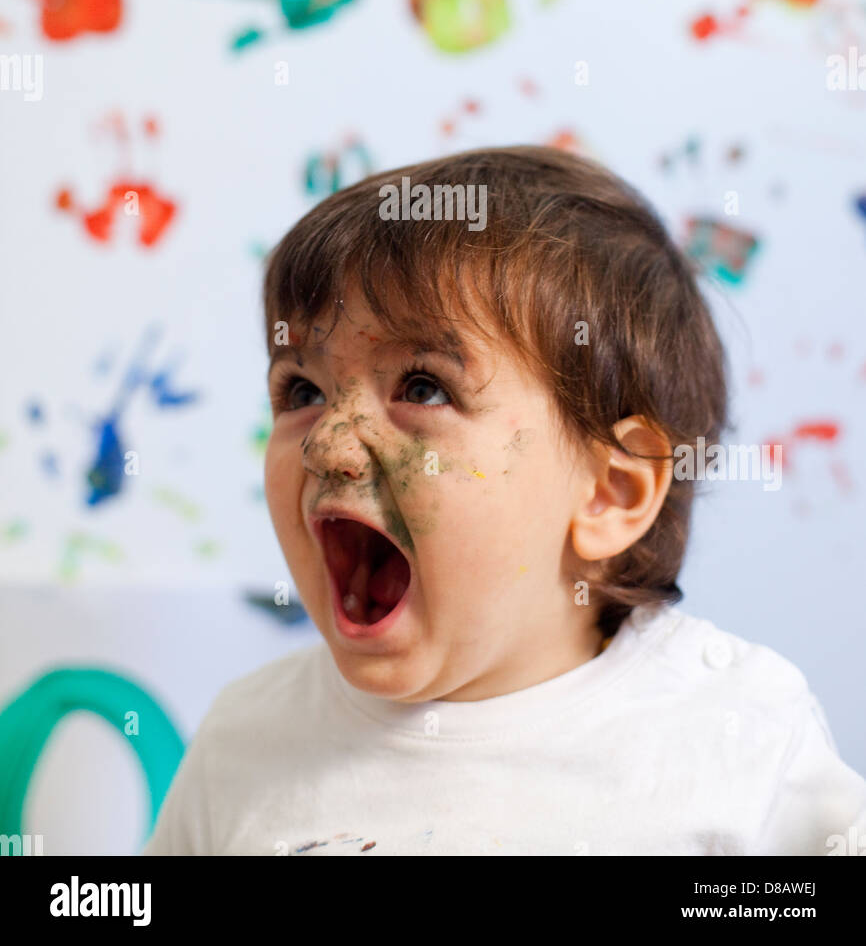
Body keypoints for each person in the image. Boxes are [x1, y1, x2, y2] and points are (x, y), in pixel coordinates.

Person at [142, 146, 866, 856]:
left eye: (423, 387)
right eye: (303, 390)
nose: (329, 445)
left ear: (611, 492)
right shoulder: (247, 739)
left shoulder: (736, 733)